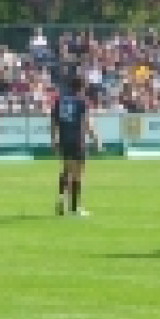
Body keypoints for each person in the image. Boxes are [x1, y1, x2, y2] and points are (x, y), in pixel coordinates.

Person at [50, 74, 101, 217]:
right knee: (77, 174)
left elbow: (53, 121)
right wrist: (96, 139)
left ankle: (61, 199)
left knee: (66, 169)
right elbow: (86, 122)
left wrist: (54, 139)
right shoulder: (81, 102)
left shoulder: (59, 101)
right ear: (81, 87)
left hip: (64, 139)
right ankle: (74, 207)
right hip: (77, 140)